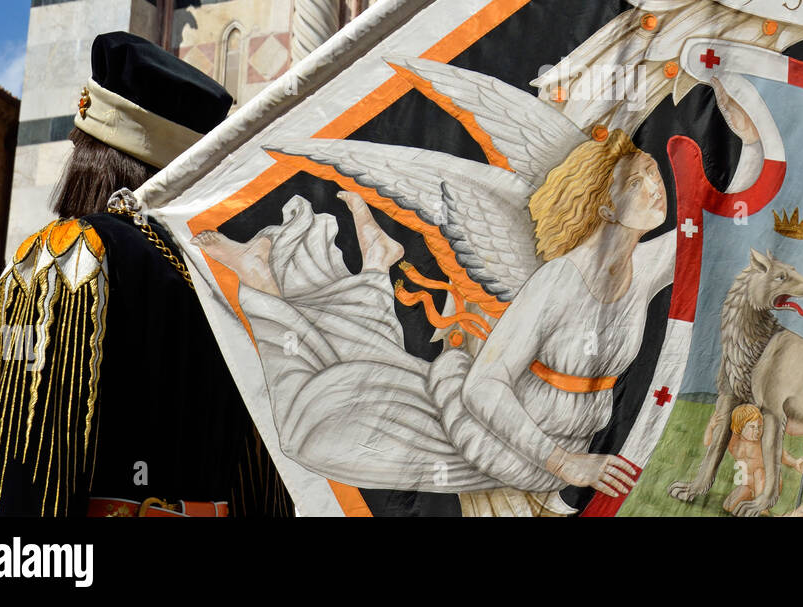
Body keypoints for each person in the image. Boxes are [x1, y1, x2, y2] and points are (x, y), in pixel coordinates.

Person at [199, 128, 675, 515]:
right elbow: (483, 388)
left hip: (553, 448)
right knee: (310, 429)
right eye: (638, 182)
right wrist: (565, 462)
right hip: (486, 434)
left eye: (654, 172)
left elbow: (722, 223)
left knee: (351, 378)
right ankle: (267, 281)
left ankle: (369, 264)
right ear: (605, 206)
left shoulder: (648, 264)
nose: (658, 188)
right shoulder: (559, 281)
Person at [0, 32, 291, 517]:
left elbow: (24, 457)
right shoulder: (234, 279)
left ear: (94, 158)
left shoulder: (71, 252)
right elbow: (262, 477)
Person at [720, 404, 768, 514]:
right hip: (748, 484)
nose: (757, 431)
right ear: (740, 427)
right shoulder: (734, 444)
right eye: (752, 427)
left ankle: (762, 506)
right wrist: (712, 426)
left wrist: (794, 463)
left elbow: (780, 454)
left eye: (759, 427)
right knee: (728, 506)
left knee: (759, 472)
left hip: (765, 483)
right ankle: (751, 497)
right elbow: (708, 442)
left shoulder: (760, 444)